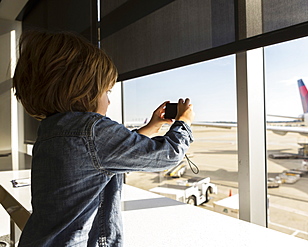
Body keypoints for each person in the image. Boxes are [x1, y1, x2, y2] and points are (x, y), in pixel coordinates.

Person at [12, 30, 194, 247]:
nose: (109, 102)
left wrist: (150, 128)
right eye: (107, 91)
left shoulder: (51, 130)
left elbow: (105, 155)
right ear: (82, 89)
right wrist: (184, 123)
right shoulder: (92, 129)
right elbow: (168, 155)